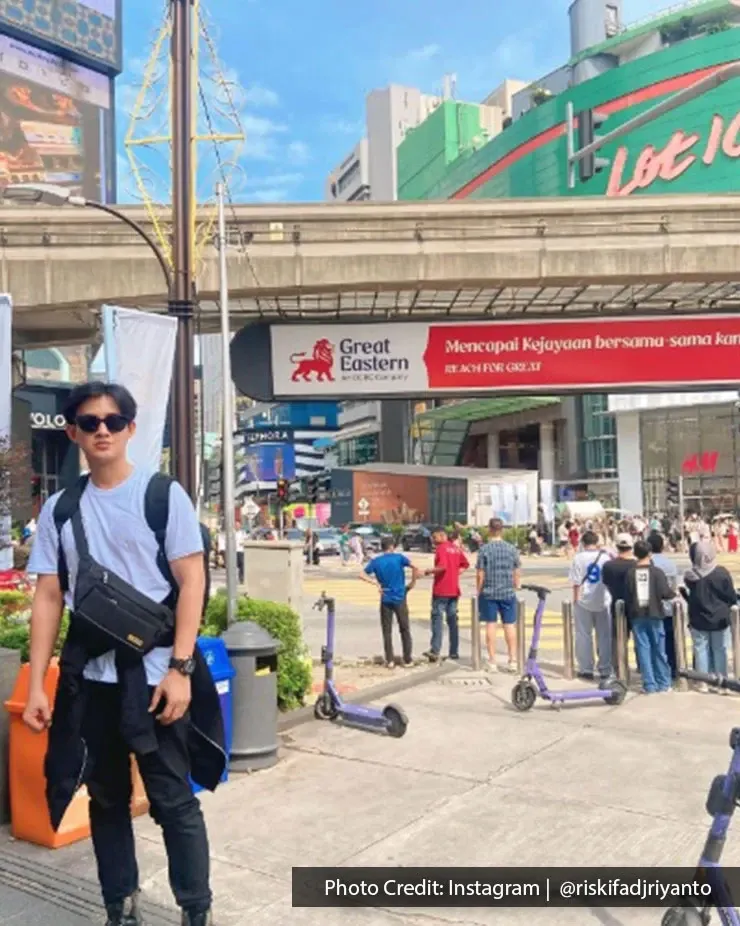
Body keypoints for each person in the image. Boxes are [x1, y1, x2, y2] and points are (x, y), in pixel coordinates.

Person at [23, 381, 224, 926]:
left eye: (113, 420)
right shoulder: (62, 509)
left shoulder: (161, 495)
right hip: (91, 679)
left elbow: (191, 582)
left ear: (131, 429)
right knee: (105, 799)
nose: (102, 430)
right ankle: (121, 905)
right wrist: (38, 681)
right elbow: (48, 595)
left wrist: (181, 669)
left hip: (157, 678)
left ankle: (195, 910)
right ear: (73, 433)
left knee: (171, 800)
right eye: (89, 422)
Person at [682, 540, 736, 694]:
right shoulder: (721, 573)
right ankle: (721, 681)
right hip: (719, 618)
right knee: (719, 649)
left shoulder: (690, 576)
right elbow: (730, 595)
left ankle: (703, 682)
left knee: (700, 649)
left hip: (698, 618)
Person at [623, 540, 675, 694]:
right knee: (659, 649)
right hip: (655, 614)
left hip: (637, 615)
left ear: (635, 554)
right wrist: (675, 593)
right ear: (650, 553)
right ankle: (664, 682)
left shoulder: (631, 573)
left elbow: (628, 594)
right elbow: (665, 593)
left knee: (643, 649)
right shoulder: (657, 572)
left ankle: (649, 684)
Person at [360, 536, 420, 668]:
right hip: (400, 596)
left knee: (387, 631)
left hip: (385, 597)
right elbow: (415, 567)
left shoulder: (376, 561)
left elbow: (362, 574)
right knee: (404, 628)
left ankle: (390, 659)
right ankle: (407, 659)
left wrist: (376, 583)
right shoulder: (399, 558)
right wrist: (412, 582)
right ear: (392, 546)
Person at [476, 518, 521, 673]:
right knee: (509, 625)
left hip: (489, 592)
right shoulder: (511, 549)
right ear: (502, 530)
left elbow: (480, 573)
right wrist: (516, 584)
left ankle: (492, 661)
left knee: (490, 625)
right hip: (508, 592)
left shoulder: (485, 550)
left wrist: (478, 589)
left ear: (489, 529)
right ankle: (513, 660)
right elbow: (516, 570)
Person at [569, 530, 612, 682]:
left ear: (582, 543)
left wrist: (575, 599)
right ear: (597, 542)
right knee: (604, 636)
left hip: (583, 599)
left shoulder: (578, 558)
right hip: (603, 599)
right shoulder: (605, 557)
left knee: (583, 635)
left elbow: (575, 582)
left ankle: (586, 668)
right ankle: (605, 668)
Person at [424, 529, 469, 662]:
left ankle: (435, 650)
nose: (433, 539)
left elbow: (442, 567)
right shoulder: (455, 548)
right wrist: (456, 573)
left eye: (434, 536)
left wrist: (428, 571)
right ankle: (454, 651)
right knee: (452, 621)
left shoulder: (441, 548)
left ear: (442, 536)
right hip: (454, 590)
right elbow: (465, 564)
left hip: (441, 590)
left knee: (437, 619)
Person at [602, 532, 636, 675]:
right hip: (636, 605)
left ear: (617, 546)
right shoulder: (637, 565)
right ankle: (643, 666)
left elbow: (606, 583)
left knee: (618, 639)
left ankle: (620, 669)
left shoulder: (609, 565)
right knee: (641, 639)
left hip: (617, 603)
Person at [647, 531, 679, 678]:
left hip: (650, 608)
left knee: (651, 642)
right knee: (669, 641)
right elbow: (674, 587)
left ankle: (653, 670)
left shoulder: (647, 563)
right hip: (667, 608)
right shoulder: (670, 564)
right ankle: (672, 669)